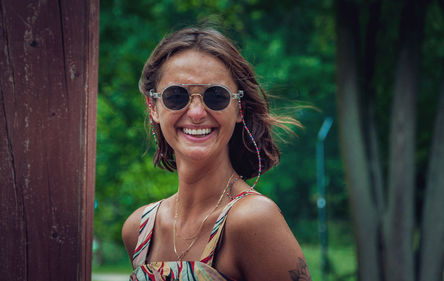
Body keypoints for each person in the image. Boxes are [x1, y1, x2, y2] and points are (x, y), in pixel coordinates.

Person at [122, 27, 311, 281]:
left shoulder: (253, 219)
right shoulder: (139, 229)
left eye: (216, 96)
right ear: (152, 106)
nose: (197, 112)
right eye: (177, 96)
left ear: (239, 108)